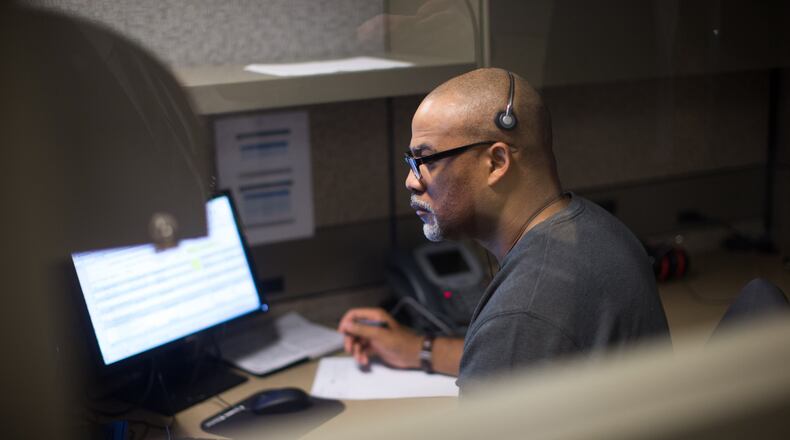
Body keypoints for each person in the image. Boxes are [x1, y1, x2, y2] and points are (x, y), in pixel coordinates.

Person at [338, 68, 669, 392]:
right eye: (411, 161)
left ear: (496, 162)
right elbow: (527, 357)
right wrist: (419, 349)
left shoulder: (524, 310)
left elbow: (519, 337)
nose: (411, 180)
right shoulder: (598, 229)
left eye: (428, 160)